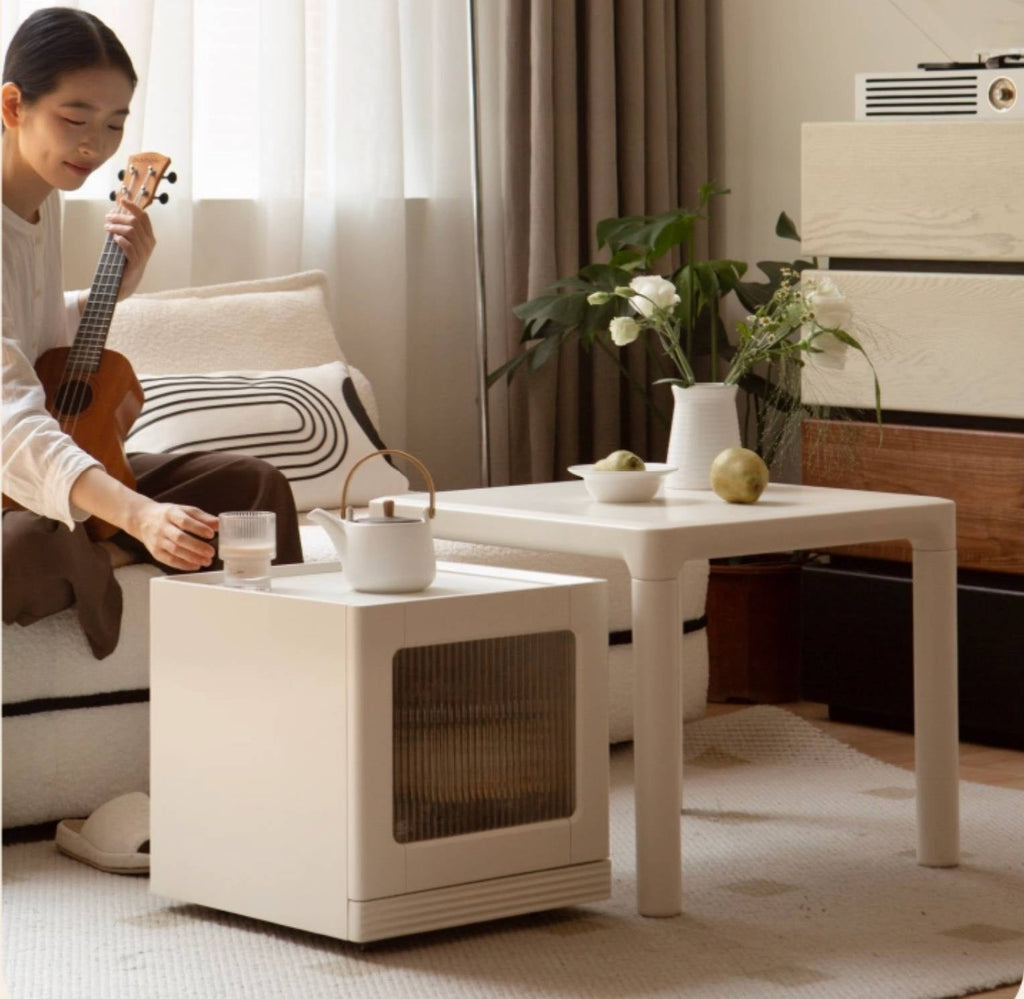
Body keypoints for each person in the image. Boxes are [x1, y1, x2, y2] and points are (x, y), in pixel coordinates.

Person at [2, 7, 303, 659]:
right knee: (22, 549)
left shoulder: (40, 199)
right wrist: (138, 514)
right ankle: (98, 540)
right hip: (11, 472)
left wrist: (120, 284)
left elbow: (36, 346)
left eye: (115, 123)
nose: (95, 145)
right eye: (76, 118)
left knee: (254, 489)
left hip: (47, 471)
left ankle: (293, 675)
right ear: (13, 106)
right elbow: (9, 417)